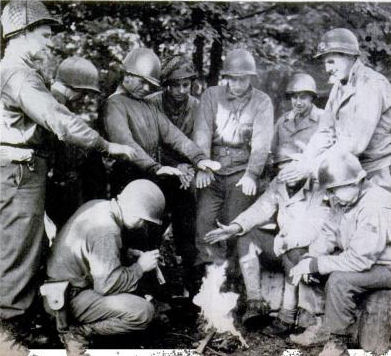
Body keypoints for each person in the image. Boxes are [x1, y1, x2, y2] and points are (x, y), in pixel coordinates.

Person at [0, 1, 135, 353]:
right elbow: (57, 119)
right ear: (22, 33)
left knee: (28, 250)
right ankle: (6, 335)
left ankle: (20, 324)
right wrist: (107, 145)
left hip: (25, 170)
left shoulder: (21, 72)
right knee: (16, 251)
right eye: (44, 35)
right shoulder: (19, 75)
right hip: (19, 170)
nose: (48, 44)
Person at [204, 148, 330, 327]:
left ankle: (288, 313)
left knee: (292, 253)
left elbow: (317, 227)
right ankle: (255, 303)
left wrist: (287, 240)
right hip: (283, 244)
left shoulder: (318, 188)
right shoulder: (279, 184)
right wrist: (234, 227)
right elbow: (261, 208)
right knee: (247, 238)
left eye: (291, 169)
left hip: (308, 251)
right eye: (281, 170)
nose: (286, 175)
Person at [289, 150, 391, 356]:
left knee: (339, 280)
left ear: (357, 181)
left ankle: (337, 342)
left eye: (334, 190)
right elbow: (328, 233)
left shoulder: (375, 204)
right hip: (366, 262)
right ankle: (321, 325)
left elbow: (359, 260)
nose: (329, 196)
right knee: (304, 260)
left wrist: (316, 265)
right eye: (329, 191)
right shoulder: (344, 199)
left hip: (385, 266)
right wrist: (311, 258)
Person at [46, 180, 166, 355]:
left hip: (61, 287)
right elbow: (107, 285)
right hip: (64, 300)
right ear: (137, 215)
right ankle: (77, 334)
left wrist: (128, 253)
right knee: (143, 312)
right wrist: (140, 267)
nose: (144, 226)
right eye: (144, 221)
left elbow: (92, 251)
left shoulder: (100, 206)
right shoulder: (108, 230)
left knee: (136, 291)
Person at [279, 28, 391, 192]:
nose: (327, 69)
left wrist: (310, 166)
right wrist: (304, 159)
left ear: (349, 56)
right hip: (348, 170)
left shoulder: (370, 84)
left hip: (377, 173)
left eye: (331, 61)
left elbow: (355, 144)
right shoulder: (339, 86)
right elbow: (325, 131)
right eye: (325, 62)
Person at [192, 48, 274, 269]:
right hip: (212, 169)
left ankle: (233, 283)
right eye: (233, 79)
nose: (237, 84)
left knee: (233, 224)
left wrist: (252, 174)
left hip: (241, 172)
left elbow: (261, 142)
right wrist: (202, 164)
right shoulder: (211, 95)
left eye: (243, 79)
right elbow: (202, 131)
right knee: (204, 223)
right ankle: (208, 281)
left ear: (251, 78)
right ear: (225, 77)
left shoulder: (262, 101)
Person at [102, 47, 221, 197]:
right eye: (142, 82)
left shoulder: (146, 103)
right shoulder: (114, 104)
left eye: (149, 84)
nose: (146, 88)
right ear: (127, 76)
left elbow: (173, 135)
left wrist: (199, 159)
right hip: (128, 175)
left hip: (152, 173)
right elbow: (125, 143)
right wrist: (154, 167)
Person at [147, 55, 199, 295]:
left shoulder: (197, 107)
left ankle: (192, 285)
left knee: (188, 228)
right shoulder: (151, 104)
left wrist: (189, 167)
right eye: (175, 85)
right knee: (150, 229)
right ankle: (150, 286)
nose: (180, 90)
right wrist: (175, 166)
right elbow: (149, 146)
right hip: (155, 174)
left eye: (185, 85)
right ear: (165, 84)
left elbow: (200, 143)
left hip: (185, 177)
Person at [47, 56, 107, 228]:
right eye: (84, 92)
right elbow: (59, 144)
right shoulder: (56, 101)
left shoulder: (54, 98)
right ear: (75, 87)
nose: (83, 98)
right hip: (52, 182)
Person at [272, 72, 323, 164]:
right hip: (281, 171)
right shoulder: (283, 121)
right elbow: (271, 150)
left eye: (303, 97)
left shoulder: (323, 118)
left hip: (308, 171)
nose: (298, 102)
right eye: (295, 97)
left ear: (311, 98)